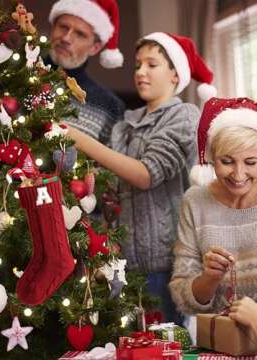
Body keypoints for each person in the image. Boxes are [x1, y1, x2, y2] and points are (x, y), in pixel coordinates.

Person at [66, 32, 216, 323]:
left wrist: (80, 140)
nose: (140, 72)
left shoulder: (184, 116)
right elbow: (112, 180)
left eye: (152, 64)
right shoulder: (123, 126)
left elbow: (147, 174)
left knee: (164, 345)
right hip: (121, 265)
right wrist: (92, 178)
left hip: (165, 266)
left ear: (175, 74)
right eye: (137, 65)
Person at [169, 97, 257, 335]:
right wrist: (209, 277)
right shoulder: (195, 201)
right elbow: (182, 298)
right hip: (219, 344)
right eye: (227, 161)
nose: (239, 175)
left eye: (251, 162)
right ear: (211, 158)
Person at [47, 0, 126, 144]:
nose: (66, 38)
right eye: (63, 27)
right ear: (53, 27)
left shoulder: (110, 107)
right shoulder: (15, 72)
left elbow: (106, 166)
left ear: (95, 48)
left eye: (80, 34)